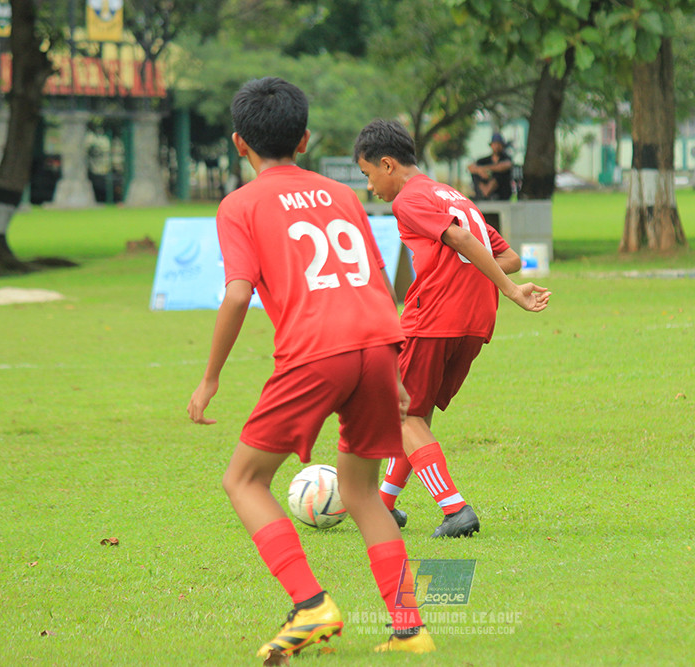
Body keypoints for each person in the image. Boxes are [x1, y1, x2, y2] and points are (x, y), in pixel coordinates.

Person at [187, 78, 435, 661]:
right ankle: (410, 629)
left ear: (238, 144)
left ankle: (309, 604)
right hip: (377, 345)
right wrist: (394, 369)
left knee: (243, 480)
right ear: (303, 139)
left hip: (315, 351)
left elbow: (237, 293)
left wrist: (211, 377)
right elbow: (377, 280)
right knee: (362, 491)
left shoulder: (239, 204)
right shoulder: (343, 195)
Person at [353, 119, 551, 539]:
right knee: (416, 413)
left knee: (399, 411)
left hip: (434, 317)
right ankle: (383, 504)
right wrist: (498, 281)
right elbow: (509, 256)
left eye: (368, 175)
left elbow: (461, 242)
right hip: (474, 322)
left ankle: (454, 508)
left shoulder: (411, 198)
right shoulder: (455, 196)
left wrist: (512, 291)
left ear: (387, 165)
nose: (370, 187)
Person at [467, 132, 514, 200]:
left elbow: (505, 166)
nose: (497, 147)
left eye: (499, 144)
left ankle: (487, 191)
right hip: (484, 189)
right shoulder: (484, 160)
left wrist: (485, 168)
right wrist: (480, 171)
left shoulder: (505, 158)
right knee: (475, 174)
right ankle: (484, 193)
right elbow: (470, 167)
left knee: (500, 173)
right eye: (495, 144)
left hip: (502, 194)